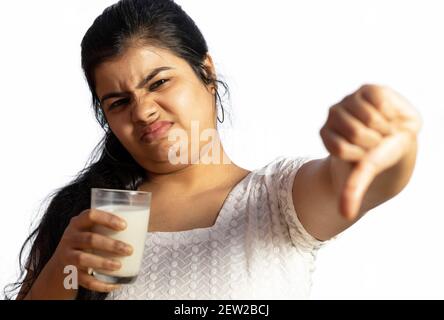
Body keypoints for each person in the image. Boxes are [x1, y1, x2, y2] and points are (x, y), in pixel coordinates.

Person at [7, 0, 421, 300]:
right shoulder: (88, 216)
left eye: (159, 83)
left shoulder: (274, 202)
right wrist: (60, 273)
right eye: (118, 102)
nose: (144, 111)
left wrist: (391, 147)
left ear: (206, 72)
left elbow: (353, 179)